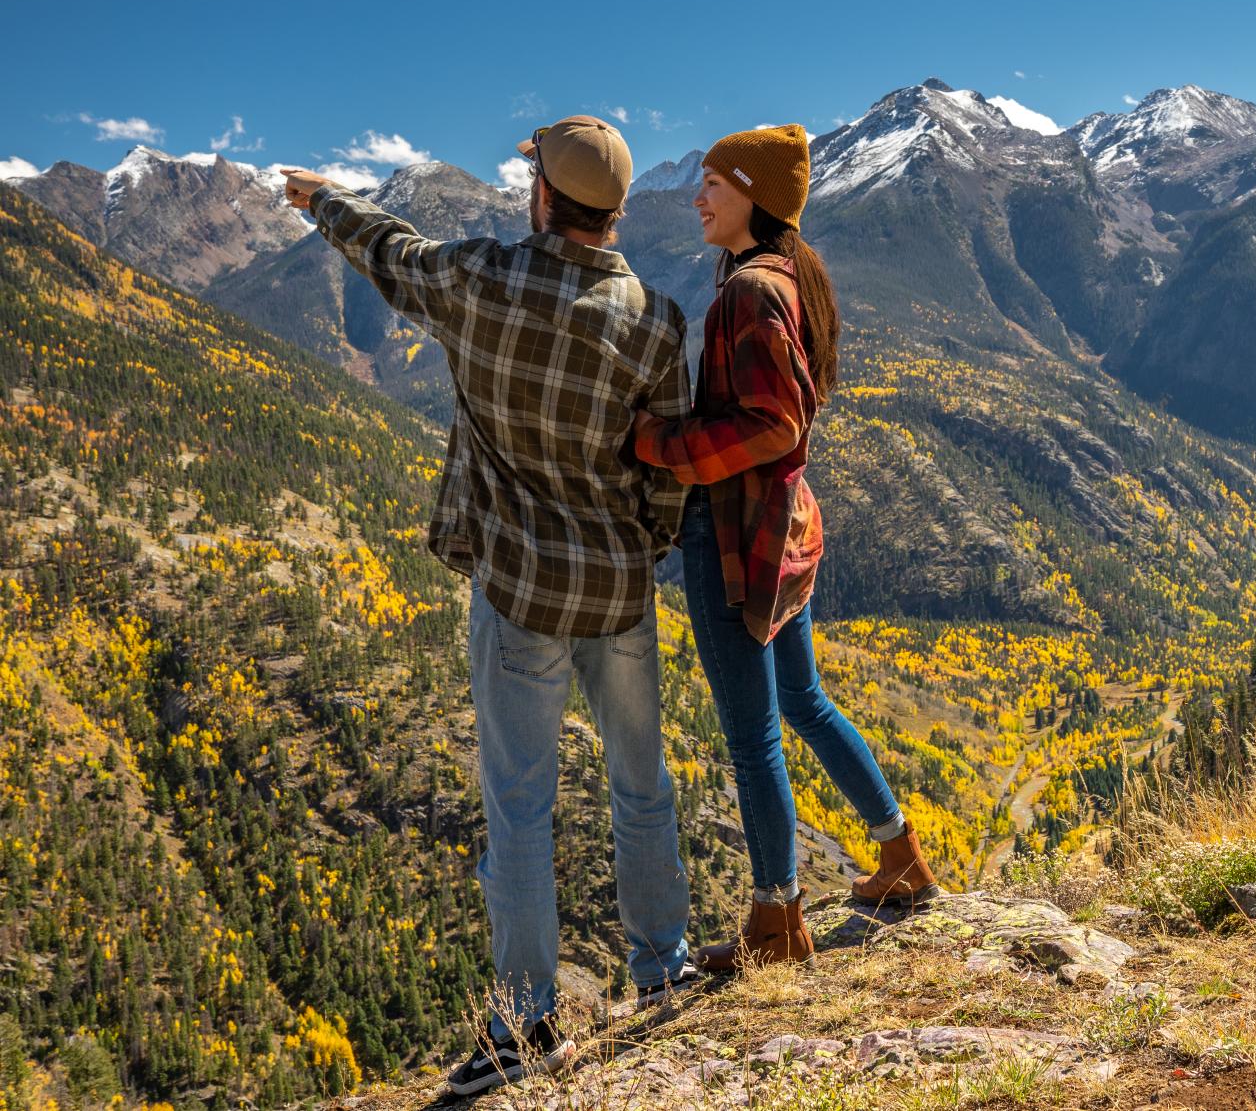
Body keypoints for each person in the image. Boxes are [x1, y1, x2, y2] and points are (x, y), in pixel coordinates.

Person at [279, 114, 697, 1094]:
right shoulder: (657, 322)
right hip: (619, 588)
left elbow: (393, 254)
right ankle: (664, 971)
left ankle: (526, 1022)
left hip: (517, 589)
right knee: (643, 787)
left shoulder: (482, 284)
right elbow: (668, 478)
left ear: (542, 197)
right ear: (618, 209)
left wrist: (318, 199)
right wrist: (639, 547)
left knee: (520, 811)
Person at [632, 124, 937, 970]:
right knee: (804, 702)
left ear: (754, 197)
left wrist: (661, 443)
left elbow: (774, 423)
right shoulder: (787, 274)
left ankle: (777, 922)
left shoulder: (747, 293)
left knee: (753, 734)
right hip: (782, 526)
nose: (698, 199)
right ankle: (900, 855)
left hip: (734, 535)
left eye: (714, 186)